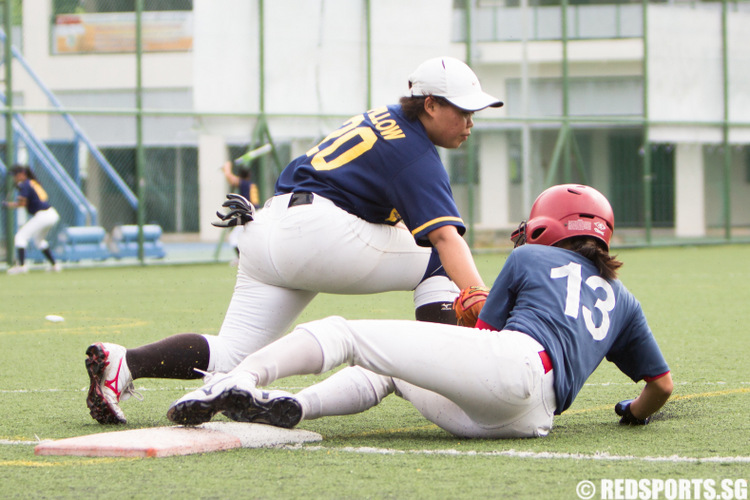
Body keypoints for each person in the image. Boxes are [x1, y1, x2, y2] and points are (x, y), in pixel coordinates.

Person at [85, 56, 503, 424]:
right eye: (463, 110)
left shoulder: (385, 117)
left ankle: (124, 363)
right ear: (430, 104)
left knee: (232, 357)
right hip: (317, 233)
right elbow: (446, 239)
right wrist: (480, 300)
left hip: (266, 228)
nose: (470, 122)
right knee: (437, 261)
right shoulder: (414, 152)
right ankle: (456, 382)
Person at [166, 184, 673, 439]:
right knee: (389, 371)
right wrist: (631, 414)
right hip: (532, 418)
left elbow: (483, 330)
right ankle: (296, 408)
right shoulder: (624, 299)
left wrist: (471, 305)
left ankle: (237, 377)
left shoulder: (530, 256)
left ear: (550, 224)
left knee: (342, 331)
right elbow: (660, 386)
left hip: (509, 365)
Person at [3, 165, 62, 274]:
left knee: (20, 236)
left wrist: (8, 205)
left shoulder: (25, 185)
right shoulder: (31, 182)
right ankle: (55, 265)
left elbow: (22, 203)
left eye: (16, 175)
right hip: (51, 214)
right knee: (39, 241)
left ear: (22, 174)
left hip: (43, 215)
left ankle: (21, 266)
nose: (14, 178)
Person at [220, 160, 259, 265]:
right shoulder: (251, 184)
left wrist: (227, 166)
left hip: (248, 215)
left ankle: (241, 259)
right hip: (256, 214)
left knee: (233, 238)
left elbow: (230, 178)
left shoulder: (244, 184)